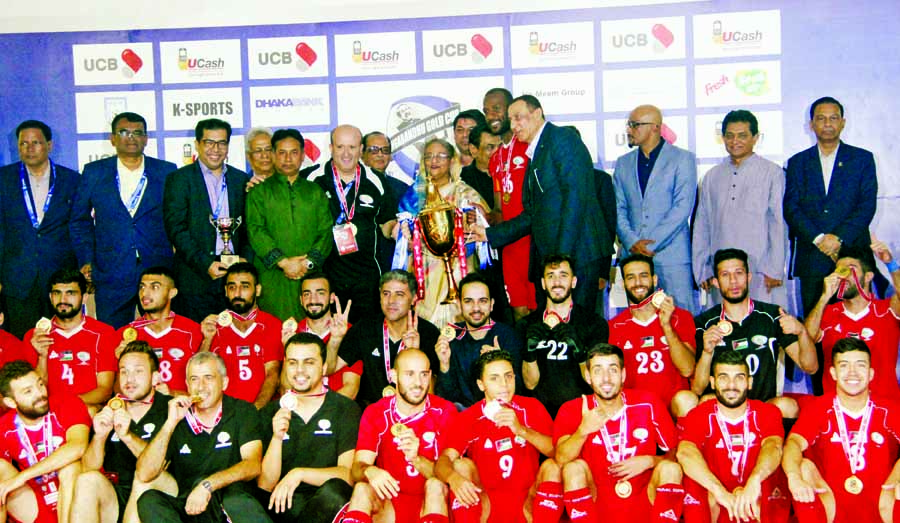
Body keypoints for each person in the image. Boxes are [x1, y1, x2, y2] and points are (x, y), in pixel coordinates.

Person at [472, 95, 606, 310]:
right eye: (511, 119)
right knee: (554, 327)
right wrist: (489, 235)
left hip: (577, 255)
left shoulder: (562, 139)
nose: (513, 126)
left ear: (537, 114)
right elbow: (533, 213)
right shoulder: (536, 151)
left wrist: (561, 259)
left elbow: (575, 201)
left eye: (518, 118)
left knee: (578, 327)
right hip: (555, 259)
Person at [552, 343, 685, 523]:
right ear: (588, 376)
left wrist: (650, 460)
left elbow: (675, 453)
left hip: (645, 497)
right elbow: (560, 458)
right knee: (573, 469)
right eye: (598, 370)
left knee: (670, 468)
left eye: (613, 370)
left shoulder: (648, 403)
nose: (606, 378)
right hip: (596, 500)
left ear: (623, 375)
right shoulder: (572, 409)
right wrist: (583, 430)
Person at [135, 352, 271, 522]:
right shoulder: (177, 417)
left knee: (235, 501)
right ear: (187, 385)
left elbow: (253, 465)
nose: (201, 386)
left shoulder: (242, 411)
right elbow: (145, 473)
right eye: (194, 379)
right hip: (192, 506)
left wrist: (208, 485)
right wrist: (170, 423)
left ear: (224, 383)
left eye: (208, 377)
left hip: (232, 502)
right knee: (149, 500)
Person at [70, 112, 177, 328]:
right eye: (124, 132)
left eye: (138, 132)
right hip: (111, 270)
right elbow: (79, 221)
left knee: (163, 334)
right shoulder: (94, 172)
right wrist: (87, 259)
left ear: (146, 138)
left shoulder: (166, 171)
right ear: (112, 138)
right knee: (113, 336)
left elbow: (177, 217)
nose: (131, 137)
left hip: (157, 267)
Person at [782, 338, 900, 523]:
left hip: (882, 511)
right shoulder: (819, 408)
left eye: (860, 365)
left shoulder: (890, 410)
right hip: (831, 510)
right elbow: (793, 444)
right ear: (833, 373)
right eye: (844, 365)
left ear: (870, 374)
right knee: (803, 467)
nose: (852, 372)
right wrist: (794, 477)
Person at [692, 249, 817, 418]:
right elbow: (697, 389)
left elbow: (810, 367)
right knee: (706, 402)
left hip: (763, 409)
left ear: (749, 277)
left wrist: (802, 332)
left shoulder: (773, 315)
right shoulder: (703, 323)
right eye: (725, 275)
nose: (734, 281)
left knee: (787, 406)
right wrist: (707, 352)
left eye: (739, 273)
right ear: (716, 282)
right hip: (724, 410)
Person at [784, 96, 879, 318]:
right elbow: (791, 207)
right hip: (812, 257)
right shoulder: (798, 162)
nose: (828, 124)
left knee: (857, 325)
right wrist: (819, 239)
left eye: (833, 118)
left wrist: (838, 238)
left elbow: (866, 205)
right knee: (816, 328)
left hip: (853, 254)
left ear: (843, 122)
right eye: (821, 118)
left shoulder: (862, 159)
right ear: (811, 124)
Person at [435, 350, 557, 523]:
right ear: (481, 384)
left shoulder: (532, 407)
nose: (504, 384)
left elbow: (557, 453)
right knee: (461, 465)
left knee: (553, 467)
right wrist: (453, 478)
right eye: (494, 378)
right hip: (486, 503)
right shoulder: (469, 418)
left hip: (529, 501)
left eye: (508, 376)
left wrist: (521, 430)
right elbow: (443, 461)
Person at [258, 333, 360, 523]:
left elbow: (347, 476)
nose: (300, 370)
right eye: (293, 362)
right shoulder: (271, 412)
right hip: (283, 506)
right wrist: (277, 438)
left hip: (327, 506)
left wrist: (299, 473)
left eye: (309, 362)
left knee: (335, 492)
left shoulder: (344, 408)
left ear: (323, 368)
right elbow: (265, 485)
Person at [344, 348, 455, 523]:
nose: (418, 383)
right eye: (409, 374)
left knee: (435, 486)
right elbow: (357, 468)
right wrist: (369, 470)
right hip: (389, 505)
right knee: (361, 489)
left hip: (429, 503)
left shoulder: (445, 412)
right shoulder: (375, 412)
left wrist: (416, 458)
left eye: (424, 374)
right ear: (393, 376)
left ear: (431, 375)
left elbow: (450, 476)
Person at [70, 341, 177, 523]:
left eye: (138, 371)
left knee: (142, 479)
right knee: (87, 480)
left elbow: (153, 469)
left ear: (155, 378)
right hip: (118, 494)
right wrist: (100, 436)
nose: (130, 379)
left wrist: (127, 436)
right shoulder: (111, 409)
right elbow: (88, 468)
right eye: (124, 371)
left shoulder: (171, 409)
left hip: (160, 494)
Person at [677, 349, 787, 523]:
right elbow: (685, 453)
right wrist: (719, 491)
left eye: (739, 377)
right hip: (717, 497)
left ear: (749, 382)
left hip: (755, 495)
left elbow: (773, 446)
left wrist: (754, 481)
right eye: (723, 377)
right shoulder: (699, 415)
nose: (731, 385)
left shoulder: (767, 412)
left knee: (766, 487)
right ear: (712, 382)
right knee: (699, 488)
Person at [693, 110, 788, 309]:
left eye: (742, 135)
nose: (735, 141)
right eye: (730, 135)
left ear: (755, 138)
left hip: (762, 271)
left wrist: (775, 269)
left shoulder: (772, 173)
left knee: (766, 324)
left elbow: (778, 222)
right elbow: (702, 224)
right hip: (722, 272)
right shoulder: (711, 176)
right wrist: (703, 269)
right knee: (725, 328)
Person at [164, 118, 252, 323]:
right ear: (197, 144)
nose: (216, 149)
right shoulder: (179, 179)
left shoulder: (240, 180)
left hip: (233, 280)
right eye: (209, 142)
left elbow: (249, 228)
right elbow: (176, 229)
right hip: (195, 278)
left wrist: (244, 261)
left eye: (222, 143)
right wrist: (205, 264)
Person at [306, 125, 396, 323]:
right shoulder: (311, 178)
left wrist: (400, 231)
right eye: (340, 147)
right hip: (326, 277)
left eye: (352, 147)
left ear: (361, 149)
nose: (346, 154)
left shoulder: (377, 180)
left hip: (366, 278)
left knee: (365, 337)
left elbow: (387, 222)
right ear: (330, 147)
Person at [613, 104, 698, 313]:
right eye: (629, 125)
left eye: (635, 125)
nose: (629, 130)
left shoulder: (682, 159)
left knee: (681, 317)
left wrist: (651, 244)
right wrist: (633, 242)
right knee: (637, 320)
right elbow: (618, 208)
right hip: (632, 258)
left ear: (655, 127)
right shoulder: (623, 163)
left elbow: (682, 207)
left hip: (672, 257)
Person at [0, 120, 80, 338]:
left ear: (49, 145)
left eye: (35, 142)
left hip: (61, 278)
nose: (29, 148)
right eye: (23, 143)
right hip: (17, 277)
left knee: (63, 344)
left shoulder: (71, 180)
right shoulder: (3, 179)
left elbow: (79, 228)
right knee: (21, 342)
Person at [397, 138, 487, 327]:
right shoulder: (414, 195)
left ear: (452, 161)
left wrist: (473, 221)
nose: (433, 161)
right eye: (428, 156)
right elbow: (402, 236)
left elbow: (482, 231)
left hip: (458, 266)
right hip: (425, 269)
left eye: (440, 156)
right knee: (426, 323)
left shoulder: (465, 193)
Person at [246, 128, 333, 321]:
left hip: (309, 278)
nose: (288, 159)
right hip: (272, 277)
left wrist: (307, 263)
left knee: (311, 332)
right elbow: (255, 230)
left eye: (294, 153)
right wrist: (283, 263)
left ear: (302, 155)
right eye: (282, 153)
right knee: (273, 332)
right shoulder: (259, 192)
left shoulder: (315, 191)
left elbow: (325, 232)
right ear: (273, 155)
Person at [803, 243, 900, 399]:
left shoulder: (886, 309)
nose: (844, 275)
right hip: (836, 408)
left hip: (884, 407)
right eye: (840, 270)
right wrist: (824, 297)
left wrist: (891, 264)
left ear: (868, 276)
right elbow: (806, 342)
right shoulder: (828, 312)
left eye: (851, 269)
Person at [333, 270, 440, 408]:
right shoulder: (364, 328)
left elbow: (430, 394)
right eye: (386, 294)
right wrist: (335, 340)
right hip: (370, 414)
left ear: (414, 298)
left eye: (399, 295)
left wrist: (414, 351)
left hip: (412, 412)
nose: (391, 301)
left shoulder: (428, 333)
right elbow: (330, 367)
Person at [0, 360, 90, 523]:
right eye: (28, 391)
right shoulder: (4, 427)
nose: (40, 394)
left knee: (70, 466)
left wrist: (22, 476)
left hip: (80, 499)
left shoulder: (68, 403)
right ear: (11, 402)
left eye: (40, 384)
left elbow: (77, 447)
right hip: (35, 500)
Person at [519, 254, 608, 417]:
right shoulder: (526, 325)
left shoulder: (594, 323)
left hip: (581, 413)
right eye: (551, 276)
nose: (557, 282)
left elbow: (596, 382)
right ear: (543, 283)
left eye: (563, 275)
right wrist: (529, 353)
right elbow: (530, 384)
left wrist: (581, 353)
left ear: (573, 281)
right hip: (541, 415)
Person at [608, 253, 696, 414]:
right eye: (631, 277)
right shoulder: (614, 327)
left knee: (687, 399)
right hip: (636, 412)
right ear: (623, 283)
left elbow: (688, 370)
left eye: (643, 276)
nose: (638, 283)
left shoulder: (680, 317)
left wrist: (666, 326)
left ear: (654, 280)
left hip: (673, 407)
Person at [24, 269, 116, 412]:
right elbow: (34, 391)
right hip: (47, 413)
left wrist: (66, 405)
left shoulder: (103, 333)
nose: (63, 300)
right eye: (57, 293)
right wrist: (42, 356)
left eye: (70, 293)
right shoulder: (36, 336)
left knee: (91, 411)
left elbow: (104, 390)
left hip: (85, 410)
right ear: (50, 297)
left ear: (84, 297)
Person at [435, 272, 523, 408]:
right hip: (463, 416)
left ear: (492, 304)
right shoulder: (451, 337)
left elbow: (520, 392)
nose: (476, 308)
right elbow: (445, 398)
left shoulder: (507, 336)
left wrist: (501, 363)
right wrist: (444, 364)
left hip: (500, 412)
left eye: (482, 301)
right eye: (468, 301)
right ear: (459, 304)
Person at [484, 88, 535, 322]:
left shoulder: (530, 148)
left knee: (539, 309)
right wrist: (480, 216)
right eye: (486, 111)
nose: (491, 115)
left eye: (497, 108)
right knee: (518, 309)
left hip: (533, 239)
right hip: (509, 246)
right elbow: (498, 209)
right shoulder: (496, 157)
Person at [202, 262, 283, 408]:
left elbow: (273, 374)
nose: (237, 293)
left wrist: (254, 411)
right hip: (224, 414)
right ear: (226, 291)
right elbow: (200, 371)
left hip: (261, 411)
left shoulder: (272, 325)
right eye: (232, 287)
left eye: (245, 286)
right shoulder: (215, 326)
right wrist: (207, 339)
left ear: (257, 290)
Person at [114, 266, 202, 397]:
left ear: (172, 293)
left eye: (154, 287)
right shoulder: (125, 334)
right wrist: (120, 360)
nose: (145, 293)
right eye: (142, 287)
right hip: (141, 411)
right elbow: (118, 392)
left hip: (182, 409)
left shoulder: (192, 330)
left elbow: (203, 389)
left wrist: (172, 394)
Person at [287, 272, 360, 397]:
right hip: (299, 409)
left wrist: (321, 411)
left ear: (331, 297)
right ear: (301, 300)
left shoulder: (350, 332)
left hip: (336, 411)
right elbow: (286, 387)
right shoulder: (293, 333)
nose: (313, 300)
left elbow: (351, 387)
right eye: (307, 294)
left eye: (320, 293)